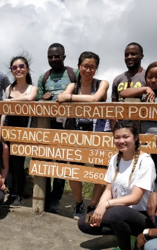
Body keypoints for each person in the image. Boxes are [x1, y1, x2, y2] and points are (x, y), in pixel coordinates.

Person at [78, 120, 156, 250]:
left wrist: (106, 205)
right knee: (85, 222)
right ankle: (127, 233)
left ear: (136, 137)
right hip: (118, 212)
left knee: (117, 213)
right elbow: (108, 189)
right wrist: (99, 210)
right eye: (117, 137)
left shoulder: (145, 162)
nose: (121, 141)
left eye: (126, 137)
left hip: (141, 217)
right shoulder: (116, 159)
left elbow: (135, 198)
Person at [57, 51, 109, 219]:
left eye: (92, 67)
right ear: (79, 67)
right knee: (74, 169)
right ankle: (79, 203)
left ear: (96, 68)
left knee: (101, 169)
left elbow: (95, 99)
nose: (88, 70)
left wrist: (70, 97)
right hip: (77, 133)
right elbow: (60, 97)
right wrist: (67, 95)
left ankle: (93, 205)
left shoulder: (103, 83)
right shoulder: (74, 85)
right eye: (85, 66)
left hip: (98, 132)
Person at [36, 43, 78, 213]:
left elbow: (81, 91)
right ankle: (44, 197)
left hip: (68, 124)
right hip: (48, 123)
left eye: (57, 56)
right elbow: (38, 98)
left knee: (61, 161)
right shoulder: (43, 77)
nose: (53, 59)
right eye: (50, 56)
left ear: (64, 57)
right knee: (45, 160)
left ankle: (55, 198)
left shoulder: (73, 73)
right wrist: (44, 98)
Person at [1, 55, 38, 208]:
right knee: (7, 162)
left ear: (27, 69)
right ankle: (12, 192)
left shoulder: (32, 88)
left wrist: (9, 101)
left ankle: (19, 194)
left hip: (23, 130)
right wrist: (1, 129)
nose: (18, 70)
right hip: (9, 127)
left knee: (18, 163)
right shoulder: (9, 88)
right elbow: (4, 110)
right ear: (11, 71)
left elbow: (30, 99)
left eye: (22, 66)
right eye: (15, 67)